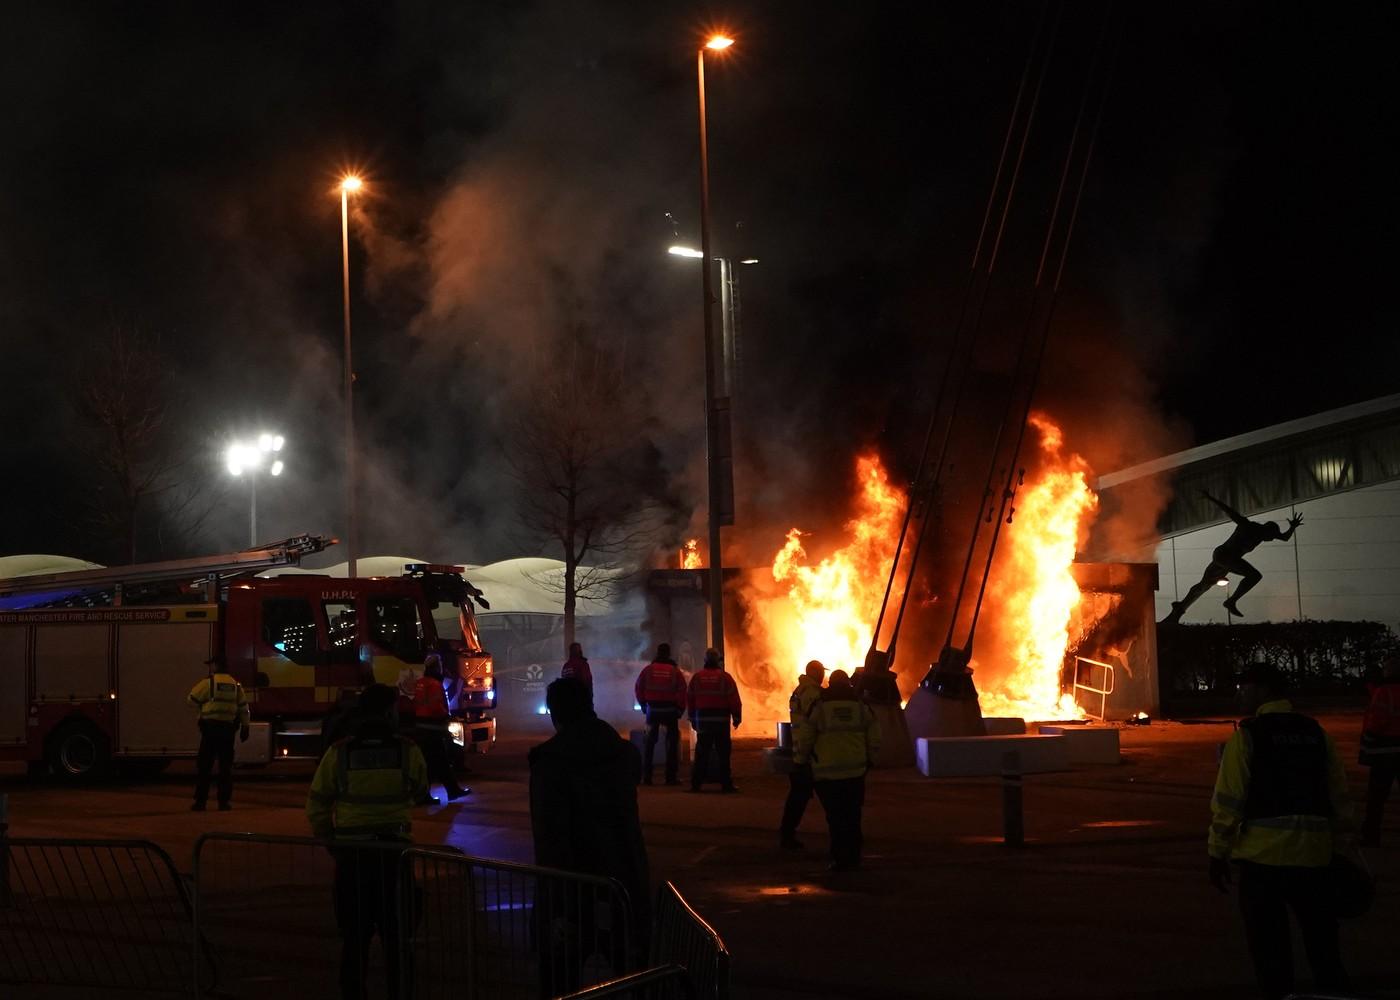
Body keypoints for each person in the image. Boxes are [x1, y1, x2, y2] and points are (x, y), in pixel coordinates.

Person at [1207, 662, 1355, 999]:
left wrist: (1217, 852)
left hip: (1263, 863)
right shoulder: (1316, 733)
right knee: (1323, 945)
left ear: (1264, 691)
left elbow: (1228, 803)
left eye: (1245, 687)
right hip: (1315, 858)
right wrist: (1343, 845)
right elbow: (1339, 795)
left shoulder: (1247, 736)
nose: (1239, 694)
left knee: (1270, 948)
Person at [306, 684, 429, 1000]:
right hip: (394, 856)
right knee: (397, 937)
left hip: (352, 856)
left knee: (354, 938)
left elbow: (318, 802)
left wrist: (329, 840)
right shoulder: (408, 750)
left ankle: (353, 993)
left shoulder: (339, 752)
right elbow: (420, 790)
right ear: (389, 712)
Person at [529, 677, 650, 992]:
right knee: (632, 978)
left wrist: (553, 906)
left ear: (556, 713)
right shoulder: (623, 755)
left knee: (560, 981)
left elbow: (550, 837)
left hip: (571, 893)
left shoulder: (550, 764)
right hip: (624, 884)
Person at [1162, 493, 1302, 624]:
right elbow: (1230, 511)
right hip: (1225, 556)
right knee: (1254, 576)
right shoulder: (1248, 526)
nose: (1270, 539)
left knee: (1204, 585)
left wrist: (1292, 527)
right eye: (1270, 536)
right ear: (1267, 529)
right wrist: (1211, 498)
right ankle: (1231, 601)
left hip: (1225, 559)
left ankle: (1178, 610)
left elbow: (1284, 537)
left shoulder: (1264, 535)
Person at [796, 669, 880, 871]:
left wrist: (800, 760)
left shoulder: (820, 706)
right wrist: (871, 759)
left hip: (827, 774)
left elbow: (806, 736)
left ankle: (839, 859)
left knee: (835, 818)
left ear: (830, 683)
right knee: (853, 816)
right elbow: (875, 735)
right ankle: (854, 857)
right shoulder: (861, 706)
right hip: (855, 773)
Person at [187, 657, 250, 812]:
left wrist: (204, 708)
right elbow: (243, 708)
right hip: (228, 731)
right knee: (225, 768)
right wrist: (245, 727)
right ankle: (224, 803)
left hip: (210, 730)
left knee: (205, 767)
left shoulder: (208, 683)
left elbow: (191, 700)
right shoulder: (235, 685)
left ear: (216, 666)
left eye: (211, 665)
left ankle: (201, 802)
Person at [779, 660, 826, 849]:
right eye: (822, 672)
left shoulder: (799, 690)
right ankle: (841, 838)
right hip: (811, 754)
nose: (824, 676)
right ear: (816, 673)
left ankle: (786, 833)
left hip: (800, 751)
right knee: (829, 798)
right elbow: (813, 726)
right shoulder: (814, 694)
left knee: (797, 798)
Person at [413, 653, 469, 801]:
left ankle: (450, 791)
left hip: (422, 726)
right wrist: (447, 716)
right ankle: (432, 794)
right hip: (434, 727)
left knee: (437, 762)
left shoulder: (420, 682)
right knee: (438, 761)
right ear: (436, 667)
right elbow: (437, 706)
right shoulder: (435, 684)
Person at [687, 648, 742, 793]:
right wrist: (737, 717)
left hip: (703, 721)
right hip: (721, 722)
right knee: (723, 753)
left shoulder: (697, 677)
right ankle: (726, 784)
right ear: (718, 661)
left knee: (701, 753)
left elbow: (690, 699)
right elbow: (734, 699)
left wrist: (692, 718)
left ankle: (696, 785)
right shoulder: (725, 678)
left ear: (705, 660)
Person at [1360, 651, 1400, 846]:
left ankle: (1371, 837)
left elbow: (1375, 723)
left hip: (1384, 754)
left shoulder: (1383, 693)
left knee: (1376, 799)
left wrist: (1367, 745)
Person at [634, 643, 688, 786]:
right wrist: (680, 709)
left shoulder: (648, 670)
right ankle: (670, 778)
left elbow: (638, 687)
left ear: (657, 653)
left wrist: (644, 705)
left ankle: (647, 777)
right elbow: (682, 690)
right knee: (671, 743)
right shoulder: (675, 671)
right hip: (670, 711)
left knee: (649, 743)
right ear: (669, 653)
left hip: (652, 711)